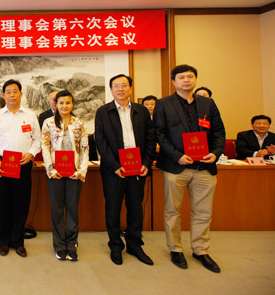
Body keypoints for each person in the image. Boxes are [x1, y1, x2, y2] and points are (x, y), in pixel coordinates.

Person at [154, 64, 225, 273]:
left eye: (190, 77)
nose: (186, 80)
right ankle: (175, 249)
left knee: (203, 212)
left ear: (195, 79)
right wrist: (177, 156)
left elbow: (219, 131)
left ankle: (201, 250)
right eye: (182, 77)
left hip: (205, 165)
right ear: (173, 81)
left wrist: (216, 153)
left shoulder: (208, 103)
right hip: (176, 167)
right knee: (172, 211)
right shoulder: (164, 104)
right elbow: (159, 134)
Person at [95, 74, 155, 266]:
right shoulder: (103, 111)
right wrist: (115, 166)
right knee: (113, 208)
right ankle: (115, 246)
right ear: (111, 90)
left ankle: (135, 245)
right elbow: (100, 142)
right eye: (116, 86)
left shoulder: (141, 111)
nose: (120, 89)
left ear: (130, 88)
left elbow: (151, 138)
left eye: (124, 85)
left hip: (138, 167)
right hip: (114, 169)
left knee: (136, 208)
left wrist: (146, 162)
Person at [0, 79, 42, 257]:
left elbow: (37, 139)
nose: (12, 95)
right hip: (1, 164)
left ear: (21, 94)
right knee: (1, 204)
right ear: (3, 95)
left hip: (23, 163)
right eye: (8, 92)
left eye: (15, 91)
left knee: (21, 203)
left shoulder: (30, 115)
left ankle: (18, 241)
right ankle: (3, 241)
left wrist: (31, 153)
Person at [41, 90, 89, 261]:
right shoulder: (48, 123)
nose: (64, 106)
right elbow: (45, 147)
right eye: (61, 103)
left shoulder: (79, 123)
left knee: (72, 208)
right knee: (57, 209)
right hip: (56, 173)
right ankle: (60, 245)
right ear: (56, 104)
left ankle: (72, 244)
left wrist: (81, 171)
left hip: (74, 172)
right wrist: (50, 169)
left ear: (72, 104)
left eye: (68, 102)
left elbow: (84, 149)